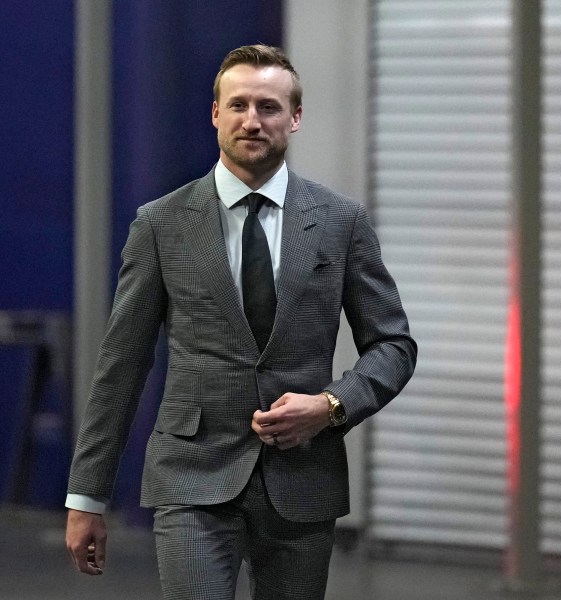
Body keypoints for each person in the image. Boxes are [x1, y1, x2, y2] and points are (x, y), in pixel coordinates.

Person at [65, 44, 417, 600]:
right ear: (215, 114)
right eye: (239, 105)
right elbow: (122, 364)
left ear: (295, 118)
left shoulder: (340, 223)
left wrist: (329, 407)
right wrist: (87, 496)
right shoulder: (161, 224)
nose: (253, 120)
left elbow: (393, 345)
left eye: (270, 107)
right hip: (191, 475)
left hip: (304, 477)